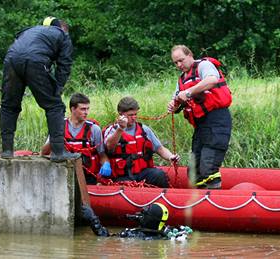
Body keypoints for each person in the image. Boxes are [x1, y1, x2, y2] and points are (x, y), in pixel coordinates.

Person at [0, 16, 79, 162]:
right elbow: (64, 64)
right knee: (55, 106)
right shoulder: (63, 35)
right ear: (63, 29)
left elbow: (18, 43)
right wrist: (58, 88)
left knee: (9, 105)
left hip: (11, 59)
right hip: (35, 60)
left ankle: (6, 150)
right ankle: (58, 152)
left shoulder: (30, 31)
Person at [167, 45, 232, 189]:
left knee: (208, 167)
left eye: (181, 60)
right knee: (194, 172)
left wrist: (189, 92)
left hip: (217, 120)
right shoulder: (182, 80)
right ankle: (201, 205)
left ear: (190, 55)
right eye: (175, 63)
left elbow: (211, 80)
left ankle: (216, 203)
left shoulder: (204, 65)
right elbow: (177, 99)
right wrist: (173, 105)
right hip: (201, 126)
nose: (179, 65)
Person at [103, 97, 179, 188]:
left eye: (135, 114)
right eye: (130, 115)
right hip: (123, 176)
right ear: (121, 114)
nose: (134, 118)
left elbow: (160, 148)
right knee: (126, 186)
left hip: (142, 172)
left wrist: (170, 156)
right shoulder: (111, 130)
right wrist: (120, 129)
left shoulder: (144, 129)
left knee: (159, 175)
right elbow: (109, 147)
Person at [41, 93, 109, 184]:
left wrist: (106, 164)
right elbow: (44, 152)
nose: (86, 112)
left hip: (87, 177)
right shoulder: (59, 126)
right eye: (83, 109)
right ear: (73, 109)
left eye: (88, 109)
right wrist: (56, 137)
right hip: (63, 175)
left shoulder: (94, 129)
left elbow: (102, 155)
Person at [82, 202, 192, 240]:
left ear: (150, 219)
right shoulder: (166, 232)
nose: (140, 215)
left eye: (144, 214)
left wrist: (92, 219)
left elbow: (104, 237)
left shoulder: (134, 235)